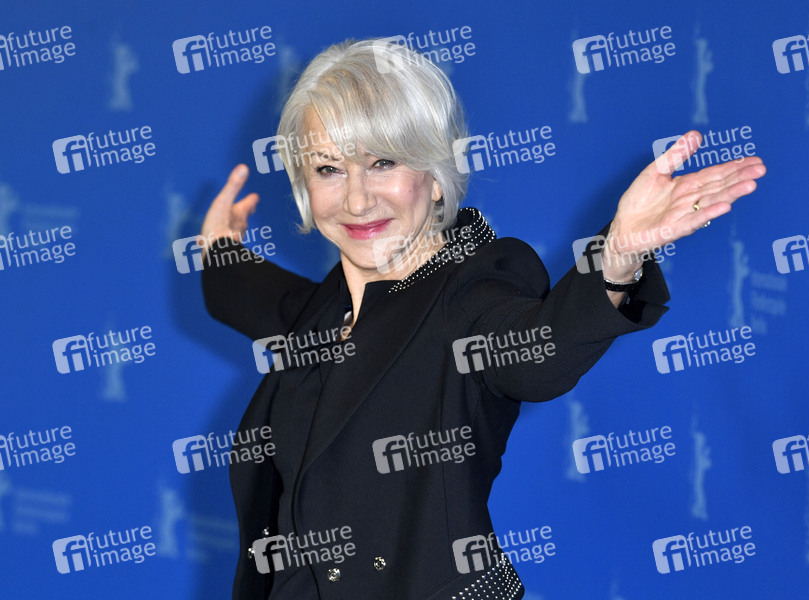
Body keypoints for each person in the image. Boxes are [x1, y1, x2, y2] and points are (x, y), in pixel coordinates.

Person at [199, 39, 765, 600]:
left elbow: (540, 353)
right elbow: (249, 295)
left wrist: (617, 254)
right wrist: (219, 249)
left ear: (434, 172)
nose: (356, 200)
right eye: (328, 169)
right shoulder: (326, 309)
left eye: (382, 162)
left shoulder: (471, 289)